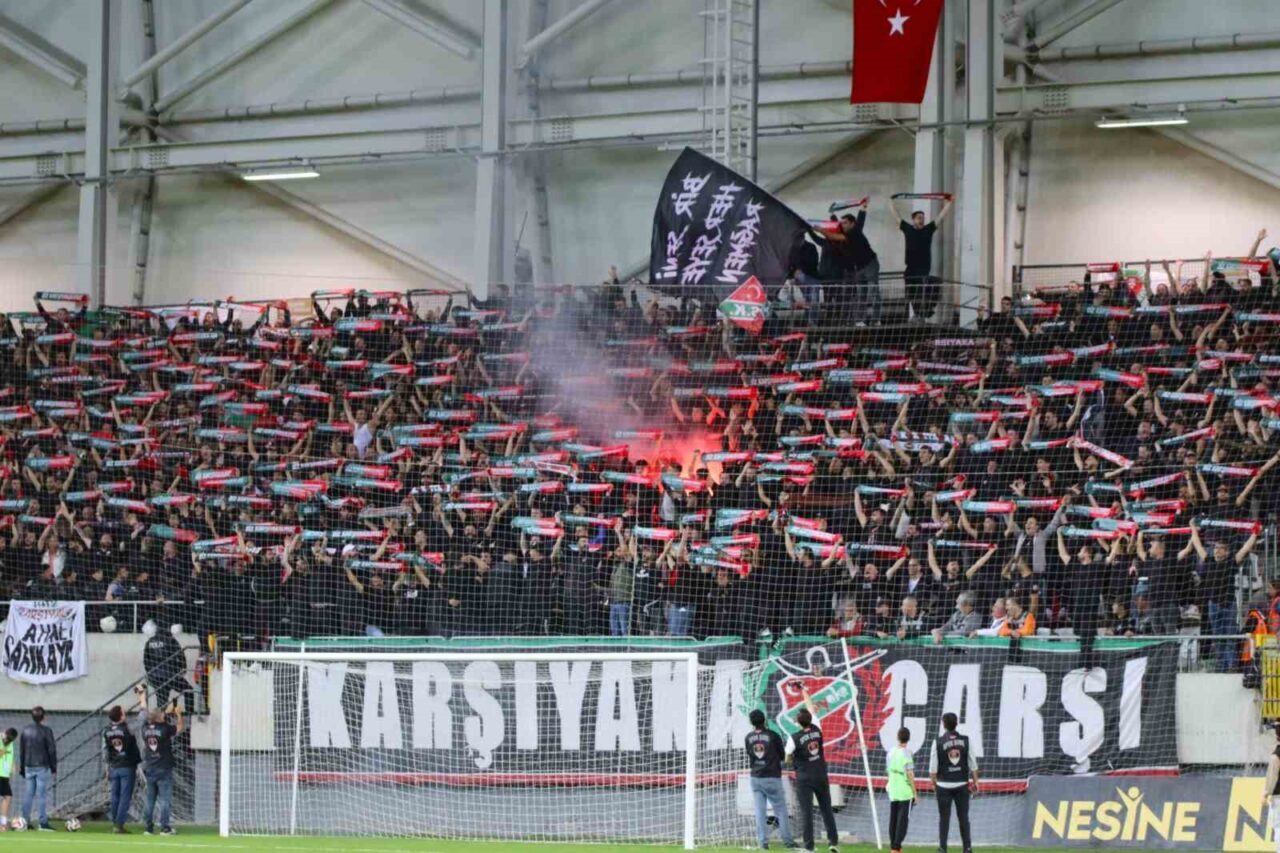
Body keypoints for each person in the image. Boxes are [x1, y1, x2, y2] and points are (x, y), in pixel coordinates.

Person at [785, 686, 840, 853]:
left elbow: (787, 757)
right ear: (810, 719)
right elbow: (809, 707)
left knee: (807, 811)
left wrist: (792, 760)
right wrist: (804, 691)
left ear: (797, 722)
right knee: (826, 808)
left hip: (804, 778)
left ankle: (809, 846)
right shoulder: (817, 728)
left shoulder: (793, 738)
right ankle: (833, 843)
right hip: (821, 775)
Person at [889, 194, 953, 321]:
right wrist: (891, 202)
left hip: (923, 267)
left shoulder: (928, 229)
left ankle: (922, 312)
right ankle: (918, 314)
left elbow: (940, 217)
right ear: (913, 219)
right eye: (919, 218)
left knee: (920, 290)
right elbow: (896, 216)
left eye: (923, 218)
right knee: (911, 292)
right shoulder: (908, 229)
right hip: (910, 266)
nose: (922, 220)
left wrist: (949, 203)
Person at [744, 708, 794, 850]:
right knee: (781, 810)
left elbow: (750, 753)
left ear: (751, 722)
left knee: (760, 811)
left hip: (756, 777)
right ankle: (788, 841)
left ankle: (763, 842)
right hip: (772, 776)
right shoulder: (773, 735)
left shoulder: (748, 737)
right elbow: (781, 755)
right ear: (764, 720)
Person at [929, 712, 978, 853]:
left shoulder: (937, 741)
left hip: (943, 785)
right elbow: (973, 763)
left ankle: (942, 848)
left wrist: (934, 784)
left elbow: (933, 768)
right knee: (963, 818)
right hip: (962, 784)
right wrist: (976, 781)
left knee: (944, 818)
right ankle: (967, 848)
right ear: (956, 723)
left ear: (943, 724)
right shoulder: (966, 740)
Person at [140, 701, 184, 836]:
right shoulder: (165, 728)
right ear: (160, 717)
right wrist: (178, 714)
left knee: (150, 800)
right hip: (163, 768)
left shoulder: (145, 729)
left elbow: (153, 718)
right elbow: (179, 728)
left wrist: (166, 712)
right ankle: (165, 828)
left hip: (150, 768)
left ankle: (148, 828)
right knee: (165, 800)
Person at [17, 706, 56, 831]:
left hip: (28, 765)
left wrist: (22, 767)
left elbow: (22, 750)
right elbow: (51, 750)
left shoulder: (25, 730)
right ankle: (43, 823)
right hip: (41, 766)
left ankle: (24, 821)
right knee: (41, 795)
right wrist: (53, 766)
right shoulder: (47, 730)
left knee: (28, 794)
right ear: (43, 717)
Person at [103, 705, 141, 834]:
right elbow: (143, 718)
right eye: (124, 713)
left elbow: (106, 751)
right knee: (125, 796)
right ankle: (119, 825)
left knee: (115, 795)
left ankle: (115, 822)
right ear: (121, 716)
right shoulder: (127, 729)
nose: (125, 714)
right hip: (127, 766)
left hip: (114, 766)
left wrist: (107, 767)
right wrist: (142, 699)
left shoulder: (106, 730)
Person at [886, 726, 917, 853]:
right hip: (904, 790)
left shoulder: (890, 752)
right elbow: (910, 774)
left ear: (897, 737)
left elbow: (887, 770)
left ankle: (894, 847)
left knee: (893, 818)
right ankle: (896, 847)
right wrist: (915, 792)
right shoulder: (907, 752)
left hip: (893, 788)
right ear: (908, 739)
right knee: (902, 820)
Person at [1263, 721, 1280, 853]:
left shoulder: (1276, 755)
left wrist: (1266, 793)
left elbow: (1272, 776)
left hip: (1278, 797)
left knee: (1278, 827)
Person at [0, 728, 14, 831]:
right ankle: (2, 824)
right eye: (7, 738)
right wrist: (2, 752)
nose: (7, 741)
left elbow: (11, 755)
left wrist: (13, 765)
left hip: (4, 775)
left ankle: (3, 823)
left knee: (7, 797)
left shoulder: (11, 742)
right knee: (7, 796)